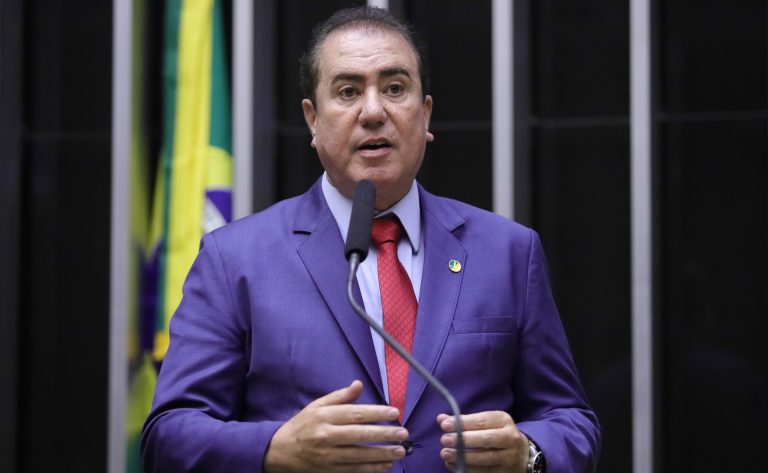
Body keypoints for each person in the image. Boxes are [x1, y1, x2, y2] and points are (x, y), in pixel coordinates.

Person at [141, 6, 600, 473]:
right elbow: (168, 436)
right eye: (348, 92)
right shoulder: (235, 258)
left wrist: (528, 452)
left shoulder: (508, 252)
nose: (375, 111)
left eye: (395, 88)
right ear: (312, 120)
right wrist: (276, 448)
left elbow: (569, 419)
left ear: (425, 114)